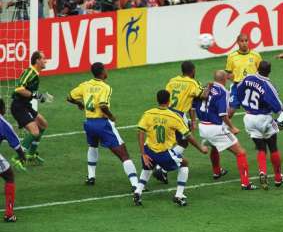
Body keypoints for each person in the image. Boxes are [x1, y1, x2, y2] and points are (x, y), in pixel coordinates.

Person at [67, 62, 139, 190]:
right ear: (102, 72)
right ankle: (136, 184)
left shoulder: (85, 85)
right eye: (106, 69)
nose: (107, 71)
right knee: (123, 154)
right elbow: (103, 105)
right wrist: (111, 116)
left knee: (93, 145)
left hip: (89, 123)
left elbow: (69, 97)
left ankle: (91, 177)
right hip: (102, 123)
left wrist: (79, 103)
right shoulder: (105, 87)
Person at [133, 90, 208, 207]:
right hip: (163, 153)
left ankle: (138, 192)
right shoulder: (174, 116)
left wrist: (143, 153)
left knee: (148, 167)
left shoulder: (148, 113)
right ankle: (179, 195)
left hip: (148, 150)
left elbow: (140, 132)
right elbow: (188, 136)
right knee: (185, 163)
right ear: (169, 101)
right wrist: (200, 148)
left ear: (157, 100)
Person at [194, 70, 257, 190]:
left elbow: (194, 104)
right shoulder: (223, 92)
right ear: (224, 79)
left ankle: (217, 171)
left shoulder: (205, 87)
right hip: (215, 128)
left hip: (203, 126)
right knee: (241, 152)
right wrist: (232, 127)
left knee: (214, 146)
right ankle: (245, 183)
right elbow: (223, 114)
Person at [236, 61, 283, 189]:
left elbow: (238, 89)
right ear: (269, 71)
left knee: (260, 148)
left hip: (249, 118)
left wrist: (244, 103)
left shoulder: (247, 78)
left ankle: (262, 171)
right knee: (273, 147)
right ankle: (278, 178)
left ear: (257, 68)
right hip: (263, 118)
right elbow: (278, 107)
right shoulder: (268, 85)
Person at [159, 61, 208, 183]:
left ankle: (160, 170)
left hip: (166, 112)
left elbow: (167, 96)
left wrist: (192, 120)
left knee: (167, 142)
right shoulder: (193, 83)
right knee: (184, 142)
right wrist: (209, 87)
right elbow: (204, 95)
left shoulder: (172, 80)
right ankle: (161, 167)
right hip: (178, 116)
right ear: (193, 71)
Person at [11, 51, 52, 166]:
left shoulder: (35, 74)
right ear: (37, 60)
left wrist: (40, 97)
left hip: (25, 105)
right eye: (43, 58)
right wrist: (35, 95)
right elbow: (19, 89)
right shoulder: (30, 73)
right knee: (35, 131)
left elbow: (30, 92)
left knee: (43, 124)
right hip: (19, 106)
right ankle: (17, 158)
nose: (46, 61)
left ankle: (31, 154)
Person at [0, 98, 26, 222]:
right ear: (2, 110)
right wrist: (22, 156)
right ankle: (9, 214)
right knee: (9, 176)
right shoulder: (3, 123)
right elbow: (15, 143)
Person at [225, 33, 262, 118]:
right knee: (230, 111)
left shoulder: (256, 55)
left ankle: (253, 130)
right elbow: (228, 72)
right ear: (237, 42)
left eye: (246, 41)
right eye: (242, 41)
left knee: (252, 112)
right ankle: (224, 129)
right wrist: (231, 77)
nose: (244, 43)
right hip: (237, 86)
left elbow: (261, 71)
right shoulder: (232, 56)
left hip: (252, 87)